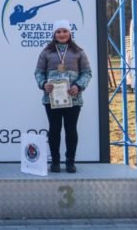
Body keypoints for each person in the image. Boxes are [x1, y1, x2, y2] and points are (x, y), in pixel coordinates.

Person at [34, 19, 91, 173]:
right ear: (54, 34)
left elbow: (87, 73)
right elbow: (38, 73)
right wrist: (43, 84)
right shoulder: (46, 52)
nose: (62, 34)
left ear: (70, 33)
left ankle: (70, 162)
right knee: (54, 129)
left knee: (71, 129)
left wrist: (78, 86)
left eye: (64, 31)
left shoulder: (79, 52)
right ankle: (55, 162)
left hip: (74, 100)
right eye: (58, 31)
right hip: (51, 100)